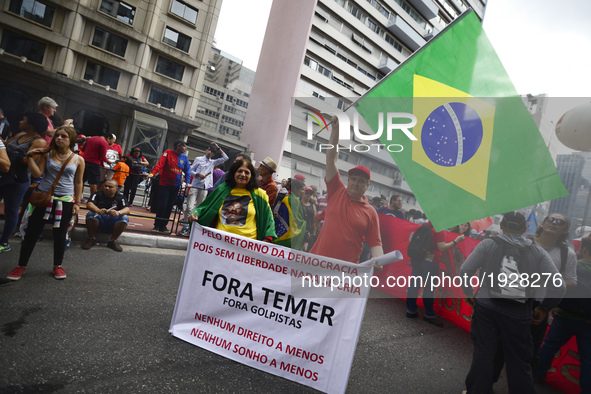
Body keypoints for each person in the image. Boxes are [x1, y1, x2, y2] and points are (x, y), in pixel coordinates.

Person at [460, 211, 566, 394]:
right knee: (519, 361)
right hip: (519, 314)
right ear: (525, 229)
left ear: (501, 225)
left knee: (483, 355)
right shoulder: (537, 251)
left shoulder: (488, 244)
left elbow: (465, 270)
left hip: (486, 308)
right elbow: (560, 286)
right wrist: (544, 307)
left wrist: (469, 292)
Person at [7, 126, 85, 280]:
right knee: (32, 233)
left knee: (60, 234)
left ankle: (58, 266)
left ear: (71, 140)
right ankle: (21, 266)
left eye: (63, 136)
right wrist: (29, 158)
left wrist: (77, 202)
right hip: (43, 198)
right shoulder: (48, 154)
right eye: (57, 136)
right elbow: (37, 173)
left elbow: (78, 182)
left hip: (65, 201)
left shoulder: (79, 159)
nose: (59, 139)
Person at [309, 115, 383, 264]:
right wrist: (335, 130)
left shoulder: (371, 212)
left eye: (361, 181)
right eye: (353, 179)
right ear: (348, 181)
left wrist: (379, 260)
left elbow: (375, 243)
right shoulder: (337, 190)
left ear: (367, 186)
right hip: (317, 262)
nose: (356, 183)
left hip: (345, 271)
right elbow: (331, 159)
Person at [537, 237, 591, 392]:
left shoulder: (572, 267)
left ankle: (538, 374)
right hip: (588, 322)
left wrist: (551, 306)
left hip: (564, 316)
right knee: (588, 360)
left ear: (584, 250)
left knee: (549, 347)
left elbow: (559, 288)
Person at [188, 159, 276, 241]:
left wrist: (266, 240)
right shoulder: (221, 190)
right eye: (240, 171)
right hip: (219, 244)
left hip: (248, 248)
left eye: (247, 172)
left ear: (251, 176)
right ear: (233, 173)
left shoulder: (260, 194)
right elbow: (204, 208)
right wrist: (195, 215)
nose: (243, 174)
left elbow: (269, 220)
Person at [0, 113, 48, 253]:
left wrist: (20, 156)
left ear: (31, 124)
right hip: (4, 175)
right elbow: (3, 146)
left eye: (24, 120)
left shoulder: (40, 142)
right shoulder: (20, 135)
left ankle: (4, 241)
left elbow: (29, 161)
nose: (20, 121)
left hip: (18, 180)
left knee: (11, 210)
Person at [181, 142, 228, 235]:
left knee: (198, 209)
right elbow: (190, 170)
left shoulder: (213, 162)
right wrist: (198, 174)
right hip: (195, 185)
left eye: (212, 152)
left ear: (214, 154)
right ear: (206, 150)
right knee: (190, 207)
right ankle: (185, 226)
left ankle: (192, 228)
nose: (210, 153)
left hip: (205, 188)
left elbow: (225, 158)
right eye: (209, 150)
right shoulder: (198, 159)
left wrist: (218, 147)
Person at [148, 140, 190, 234]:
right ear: (178, 146)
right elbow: (160, 164)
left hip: (176, 185)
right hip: (164, 184)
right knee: (163, 204)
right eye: (184, 146)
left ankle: (163, 226)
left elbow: (188, 171)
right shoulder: (167, 152)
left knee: (169, 206)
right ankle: (157, 225)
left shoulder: (184, 157)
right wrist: (152, 173)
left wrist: (187, 182)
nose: (185, 148)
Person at [82, 179, 130, 252]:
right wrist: (98, 210)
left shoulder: (121, 197)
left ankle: (112, 241)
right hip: (99, 219)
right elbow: (89, 204)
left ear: (116, 189)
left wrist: (118, 213)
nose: (107, 188)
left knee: (124, 217)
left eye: (110, 187)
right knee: (91, 214)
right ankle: (91, 239)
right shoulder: (97, 194)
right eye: (105, 186)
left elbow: (127, 209)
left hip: (112, 221)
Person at [273, 179, 306, 250]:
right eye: (302, 189)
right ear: (295, 189)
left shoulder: (288, 197)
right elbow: (296, 220)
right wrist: (303, 223)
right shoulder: (294, 200)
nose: (304, 192)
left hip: (279, 231)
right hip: (288, 235)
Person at [301, 186, 317, 252]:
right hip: (297, 232)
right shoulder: (298, 203)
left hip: (308, 233)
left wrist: (313, 234)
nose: (308, 194)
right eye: (307, 192)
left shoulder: (313, 206)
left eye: (310, 193)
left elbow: (314, 221)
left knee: (304, 250)